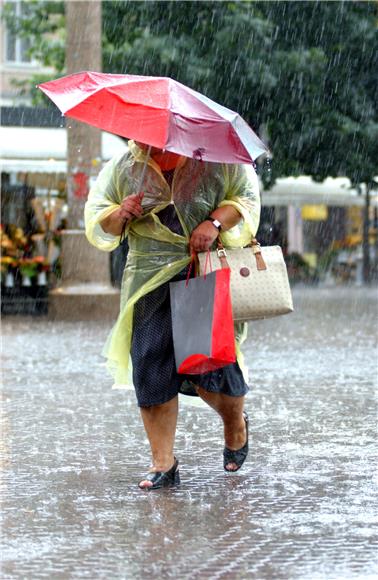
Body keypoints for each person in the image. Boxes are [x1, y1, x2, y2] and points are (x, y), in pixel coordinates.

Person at [85, 140, 260, 489]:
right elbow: (99, 219)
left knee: (209, 369)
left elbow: (245, 197)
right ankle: (163, 463)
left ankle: (235, 424)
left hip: (202, 272)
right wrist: (121, 212)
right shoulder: (124, 166)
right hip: (148, 280)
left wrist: (213, 223)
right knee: (151, 366)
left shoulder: (214, 158)